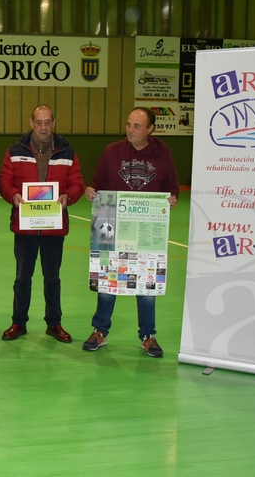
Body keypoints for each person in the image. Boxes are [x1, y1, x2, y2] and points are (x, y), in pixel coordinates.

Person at [82, 107, 180, 358]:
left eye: (137, 126)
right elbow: (97, 182)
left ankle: (148, 335)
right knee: (107, 280)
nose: (131, 130)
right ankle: (100, 330)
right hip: (111, 225)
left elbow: (172, 188)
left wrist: (172, 199)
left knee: (147, 283)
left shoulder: (162, 152)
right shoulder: (111, 151)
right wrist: (91, 190)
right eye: (128, 124)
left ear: (150, 129)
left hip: (147, 228)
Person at [0, 105, 84, 344]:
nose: (43, 127)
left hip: (53, 228)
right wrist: (13, 195)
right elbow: (4, 180)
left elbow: (77, 183)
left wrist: (68, 197)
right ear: (31, 122)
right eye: (39, 122)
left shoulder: (67, 152)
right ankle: (19, 322)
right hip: (25, 226)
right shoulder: (15, 151)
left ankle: (54, 324)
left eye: (47, 122)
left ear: (53, 123)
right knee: (22, 278)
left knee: (52, 278)